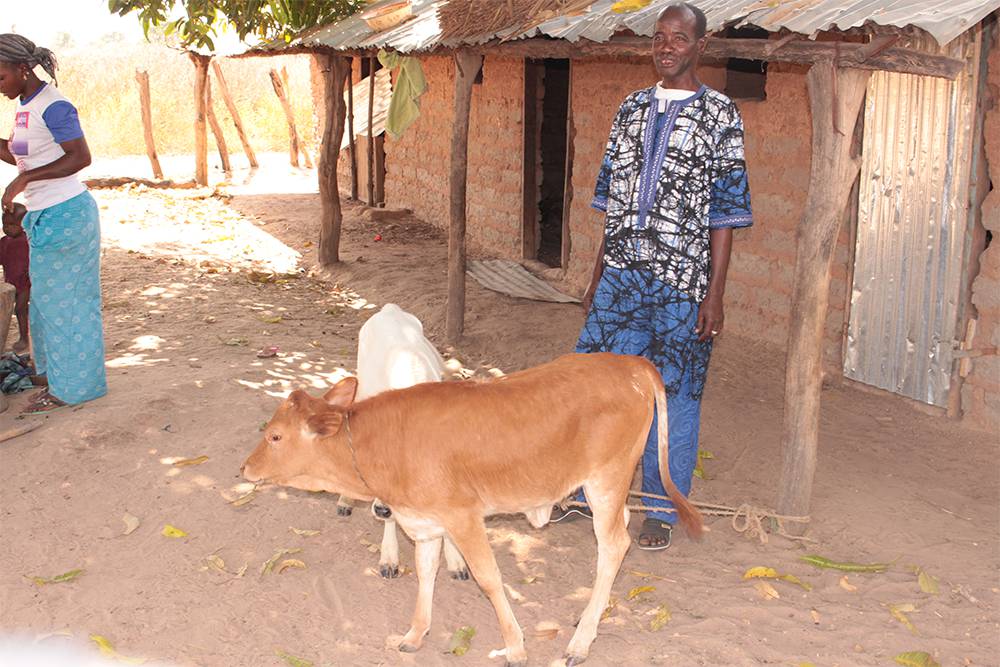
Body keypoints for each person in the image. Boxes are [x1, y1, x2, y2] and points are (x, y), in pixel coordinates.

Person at [553, 3, 753, 550]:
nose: (666, 46)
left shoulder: (721, 115)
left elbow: (726, 213)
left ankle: (661, 510)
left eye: (679, 38)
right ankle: (576, 492)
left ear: (700, 46)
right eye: (660, 37)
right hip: (620, 278)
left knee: (675, 395)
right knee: (593, 385)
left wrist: (714, 294)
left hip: (681, 283)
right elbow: (613, 202)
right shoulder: (630, 109)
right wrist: (597, 273)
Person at [0, 34, 106, 415]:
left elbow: (80, 157)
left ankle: (75, 390)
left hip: (67, 214)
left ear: (22, 69)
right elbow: (23, 156)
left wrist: (23, 182)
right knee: (46, 303)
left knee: (70, 306)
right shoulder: (26, 104)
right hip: (46, 216)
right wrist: (22, 173)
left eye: (0, 78)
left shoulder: (55, 105)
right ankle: (52, 374)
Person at [0, 202, 30, 354]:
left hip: (25, 284)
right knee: (17, 310)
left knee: (20, 309)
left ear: (23, 224)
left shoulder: (27, 241)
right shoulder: (4, 242)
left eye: (12, 224)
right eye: (5, 224)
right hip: (11, 283)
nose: (7, 228)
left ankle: (24, 338)